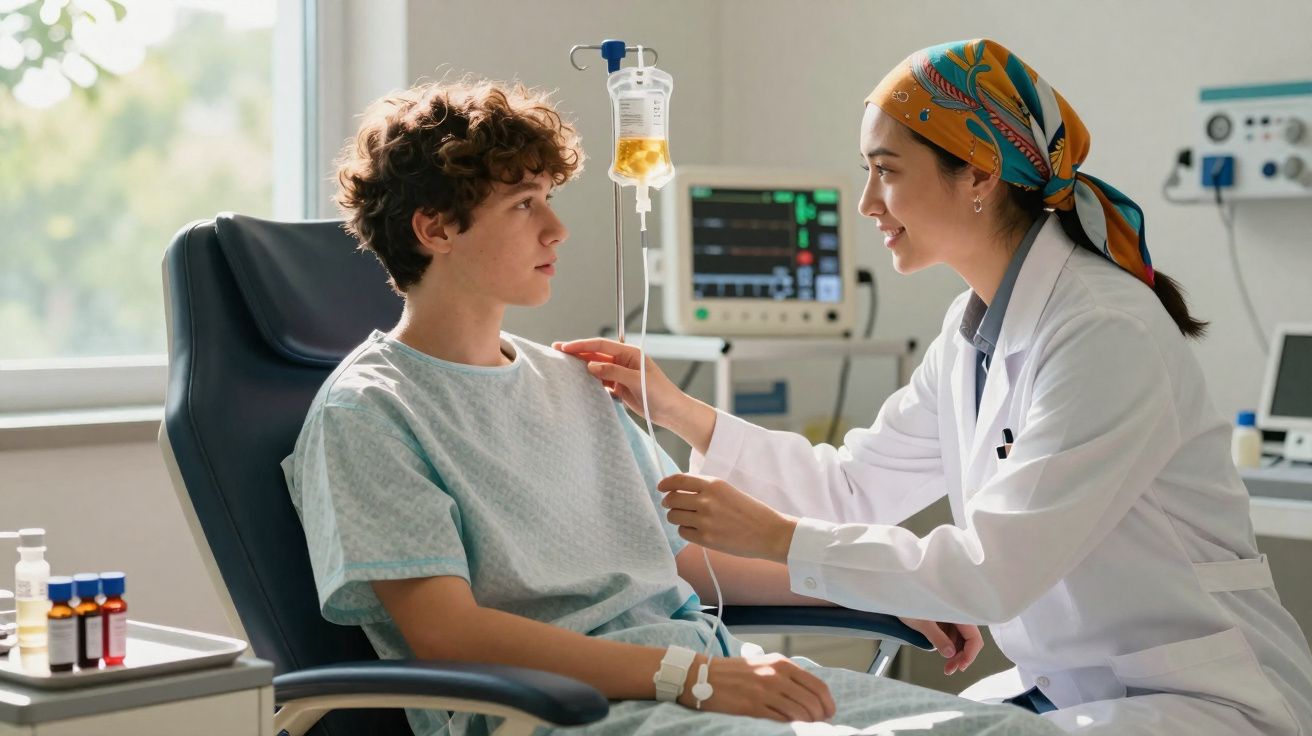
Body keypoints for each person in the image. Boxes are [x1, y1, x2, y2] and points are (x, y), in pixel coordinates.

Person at [559, 39, 1312, 735]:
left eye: (886, 171)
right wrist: (685, 412)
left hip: (1194, 701)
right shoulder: (971, 330)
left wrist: (775, 538)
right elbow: (855, 487)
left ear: (980, 173)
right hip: (1076, 686)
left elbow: (993, 570)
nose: (867, 204)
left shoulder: (1105, 330)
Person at [281, 76, 1061, 736]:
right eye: (524, 205)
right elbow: (445, 634)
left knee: (1006, 730)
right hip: (569, 711)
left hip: (702, 683)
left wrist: (877, 584)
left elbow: (675, 557)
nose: (557, 227)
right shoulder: (370, 412)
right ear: (436, 227)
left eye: (550, 198)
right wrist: (688, 677)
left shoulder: (571, 379)